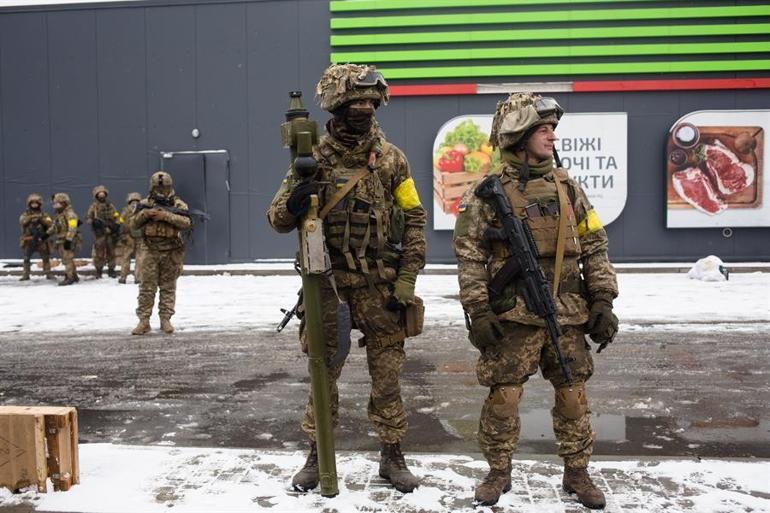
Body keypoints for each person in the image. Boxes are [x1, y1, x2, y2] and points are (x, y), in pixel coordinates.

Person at [453, 93, 619, 509]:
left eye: (552, 129)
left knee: (572, 395)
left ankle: (577, 472)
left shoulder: (569, 189)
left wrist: (602, 300)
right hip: (513, 315)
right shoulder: (487, 194)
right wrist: (479, 311)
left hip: (567, 312)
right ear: (519, 136)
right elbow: (470, 256)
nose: (552, 135)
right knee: (505, 397)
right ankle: (498, 472)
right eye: (542, 129)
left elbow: (596, 246)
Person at [267, 64, 426, 494]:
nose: (364, 108)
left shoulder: (391, 159)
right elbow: (277, 218)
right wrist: (296, 201)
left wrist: (407, 279)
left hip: (380, 286)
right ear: (336, 105)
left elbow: (413, 219)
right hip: (328, 284)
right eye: (356, 101)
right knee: (323, 371)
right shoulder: (310, 158)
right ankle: (317, 456)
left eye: (370, 102)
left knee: (389, 375)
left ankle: (392, 457)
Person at [130, 171, 191, 335]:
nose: (161, 191)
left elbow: (186, 222)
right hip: (150, 250)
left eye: (163, 188)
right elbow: (133, 224)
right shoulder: (144, 204)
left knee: (168, 287)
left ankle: (166, 319)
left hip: (171, 251)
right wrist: (145, 214)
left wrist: (166, 216)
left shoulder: (178, 204)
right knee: (146, 288)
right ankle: (144, 321)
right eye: (158, 188)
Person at [86, 185, 121, 279]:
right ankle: (99, 270)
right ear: (96, 196)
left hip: (110, 232)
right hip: (99, 234)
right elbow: (88, 218)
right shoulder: (94, 206)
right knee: (99, 253)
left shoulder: (110, 205)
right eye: (99, 194)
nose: (102, 196)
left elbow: (117, 216)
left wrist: (116, 225)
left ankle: (111, 270)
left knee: (111, 252)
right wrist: (94, 222)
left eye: (103, 194)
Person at [18, 193, 55, 281]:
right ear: (29, 204)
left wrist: (41, 219)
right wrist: (30, 218)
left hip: (40, 240)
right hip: (28, 240)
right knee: (26, 258)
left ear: (39, 204)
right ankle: (26, 274)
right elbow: (22, 221)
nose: (34, 205)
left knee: (45, 257)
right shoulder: (25, 214)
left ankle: (48, 274)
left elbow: (50, 223)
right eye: (32, 203)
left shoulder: (44, 214)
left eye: (36, 203)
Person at [49, 192, 82, 286]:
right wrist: (46, 234)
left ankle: (69, 277)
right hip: (61, 239)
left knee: (67, 259)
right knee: (67, 259)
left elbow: (73, 227)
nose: (55, 205)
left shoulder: (70, 213)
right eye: (54, 203)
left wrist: (68, 239)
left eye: (58, 203)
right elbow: (54, 227)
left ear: (64, 203)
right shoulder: (58, 214)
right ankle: (74, 276)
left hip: (67, 239)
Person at [116, 192, 142, 284]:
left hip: (128, 237)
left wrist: (121, 233)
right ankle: (138, 278)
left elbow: (119, 222)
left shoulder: (125, 211)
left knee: (126, 257)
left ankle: (123, 277)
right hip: (139, 237)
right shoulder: (141, 210)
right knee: (139, 258)